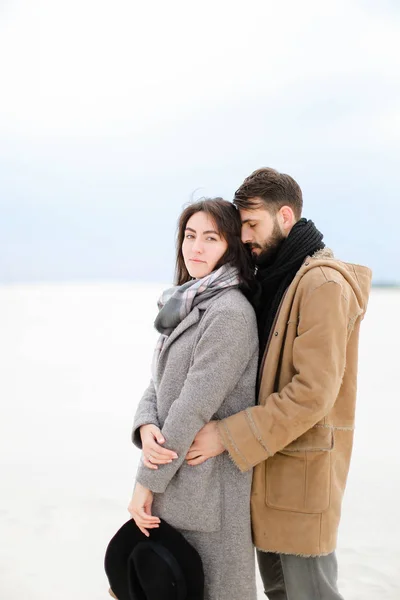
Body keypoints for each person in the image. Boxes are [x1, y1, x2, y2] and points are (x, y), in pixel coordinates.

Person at [183, 168, 373, 599]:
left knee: (311, 594)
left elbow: (313, 394)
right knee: (281, 593)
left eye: (253, 225)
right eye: (241, 225)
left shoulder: (322, 283)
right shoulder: (278, 278)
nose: (245, 236)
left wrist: (225, 436)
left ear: (285, 216)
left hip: (302, 479)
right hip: (269, 471)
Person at [128, 198, 259, 600]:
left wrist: (144, 482)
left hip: (209, 497)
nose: (195, 248)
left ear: (231, 246)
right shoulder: (185, 302)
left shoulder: (230, 312)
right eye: (189, 236)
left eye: (210, 238)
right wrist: (145, 424)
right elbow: (160, 381)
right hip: (176, 481)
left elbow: (193, 404)